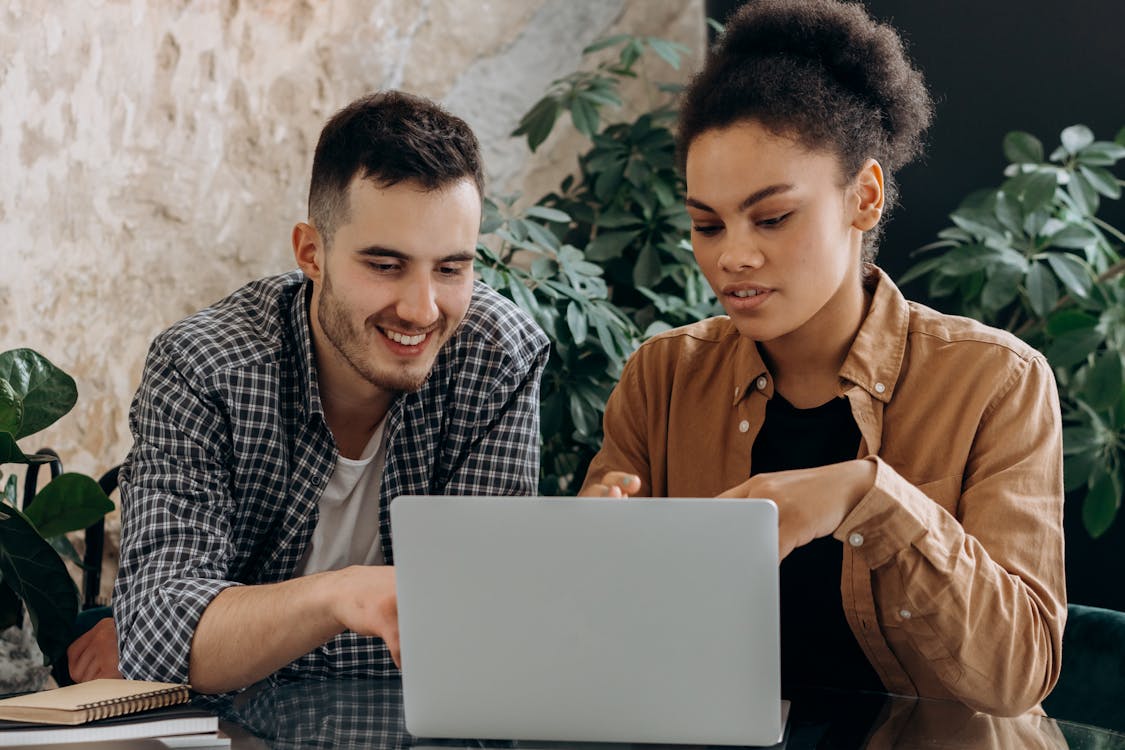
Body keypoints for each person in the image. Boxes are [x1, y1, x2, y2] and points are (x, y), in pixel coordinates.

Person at [581, 0, 1065, 717]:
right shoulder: (663, 377)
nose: (731, 257)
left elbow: (1016, 675)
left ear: (863, 197)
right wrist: (588, 560)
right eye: (705, 224)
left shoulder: (995, 381)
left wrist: (867, 495)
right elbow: (611, 646)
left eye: (772, 217)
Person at [68, 91, 549, 692]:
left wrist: (222, 639)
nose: (422, 309)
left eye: (451, 269)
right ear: (311, 253)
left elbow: (479, 632)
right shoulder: (205, 366)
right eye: (385, 265)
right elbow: (161, 637)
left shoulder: (497, 355)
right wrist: (345, 595)